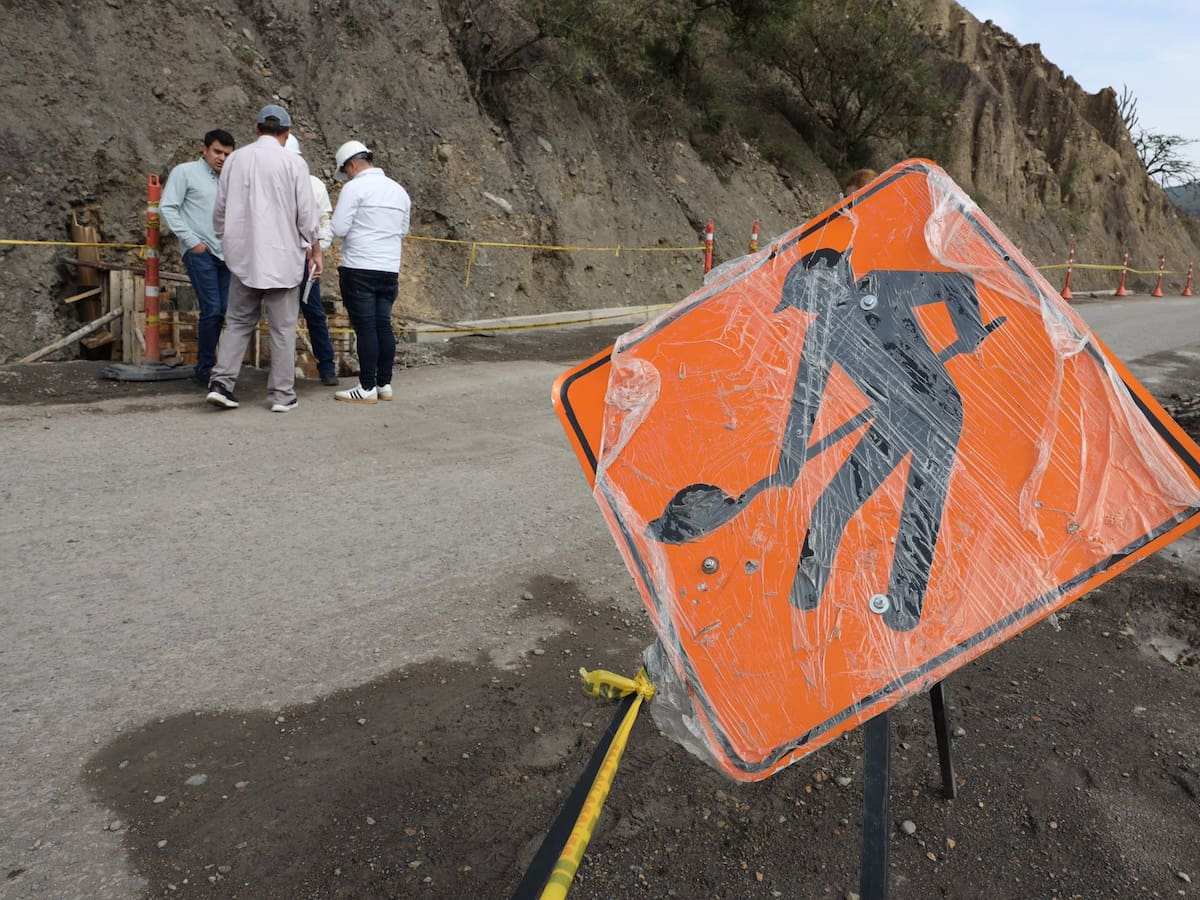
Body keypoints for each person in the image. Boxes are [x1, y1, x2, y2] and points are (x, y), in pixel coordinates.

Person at [205, 105, 321, 413]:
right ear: (287, 134)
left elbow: (220, 209)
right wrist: (314, 248)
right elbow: (307, 215)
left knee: (238, 323)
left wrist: (226, 240)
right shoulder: (294, 163)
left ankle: (221, 384)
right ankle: (282, 395)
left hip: (244, 259)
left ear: (256, 128)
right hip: (282, 260)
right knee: (282, 329)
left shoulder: (235, 160)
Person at [329, 139, 411, 405]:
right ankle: (383, 384)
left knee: (365, 328)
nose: (346, 177)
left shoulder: (354, 188)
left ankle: (366, 388)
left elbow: (339, 228)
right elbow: (402, 230)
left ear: (352, 165)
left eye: (345, 172)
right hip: (389, 270)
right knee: (382, 325)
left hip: (359, 268)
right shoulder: (399, 191)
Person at [160, 128, 236, 385]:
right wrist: (193, 243)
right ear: (204, 149)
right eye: (217, 152)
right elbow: (168, 207)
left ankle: (214, 368)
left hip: (227, 255)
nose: (222, 158)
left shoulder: (230, 180)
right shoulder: (185, 172)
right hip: (200, 253)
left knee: (224, 310)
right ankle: (204, 370)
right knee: (212, 309)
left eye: (227, 154)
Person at [284, 134, 338, 386]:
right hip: (279, 259)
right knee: (281, 316)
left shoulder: (314, 185)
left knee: (314, 312)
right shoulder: (269, 183)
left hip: (306, 261)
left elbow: (325, 225)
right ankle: (282, 372)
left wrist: (315, 251)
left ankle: (327, 367)